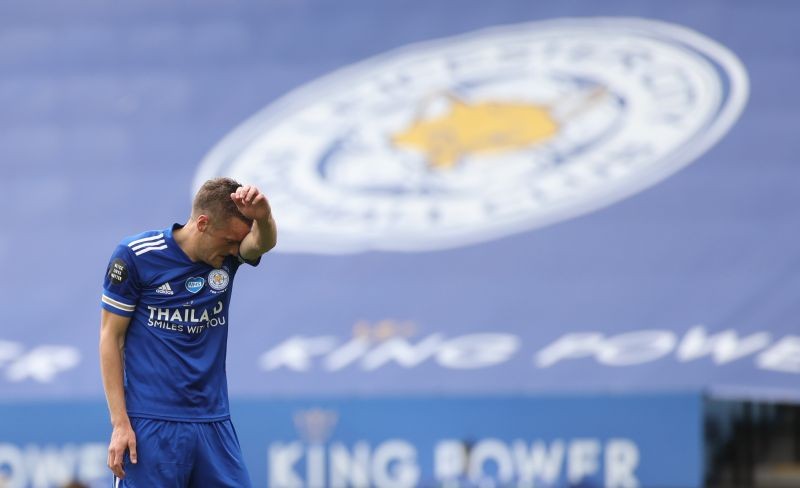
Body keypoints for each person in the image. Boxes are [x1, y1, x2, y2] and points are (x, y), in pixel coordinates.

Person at [99, 177, 276, 486]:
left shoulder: (228, 258)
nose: (237, 250)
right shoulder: (136, 256)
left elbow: (263, 242)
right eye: (230, 241)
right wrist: (120, 423)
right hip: (150, 424)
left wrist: (263, 215)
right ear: (204, 224)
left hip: (213, 422)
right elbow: (111, 338)